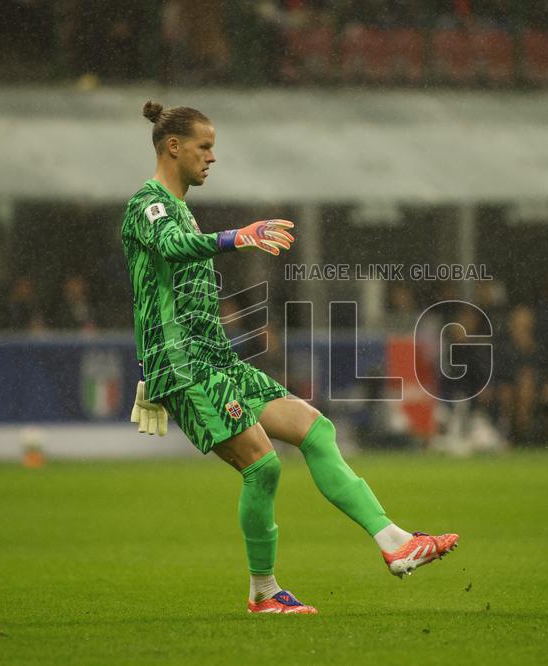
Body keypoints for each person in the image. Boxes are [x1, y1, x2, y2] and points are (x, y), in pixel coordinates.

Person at [121, 101, 459, 614]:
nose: (212, 157)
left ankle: (394, 541)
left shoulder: (182, 207)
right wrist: (237, 237)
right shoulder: (148, 205)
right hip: (184, 366)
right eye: (204, 146)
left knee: (316, 429)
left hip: (214, 359)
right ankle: (263, 592)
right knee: (262, 466)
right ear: (173, 147)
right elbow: (172, 246)